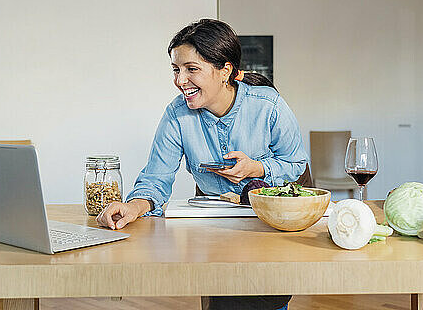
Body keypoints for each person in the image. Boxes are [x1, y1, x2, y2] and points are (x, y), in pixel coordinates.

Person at [96, 19, 308, 310]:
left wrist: (257, 168)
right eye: (176, 69)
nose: (180, 80)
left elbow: (295, 163)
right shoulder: (176, 114)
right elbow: (156, 179)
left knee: (267, 300)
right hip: (213, 231)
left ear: (226, 71)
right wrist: (134, 206)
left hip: (267, 225)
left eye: (191, 69)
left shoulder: (268, 105)